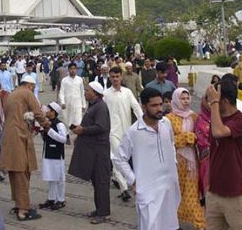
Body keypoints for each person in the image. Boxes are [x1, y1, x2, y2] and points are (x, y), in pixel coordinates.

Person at [113, 88, 181, 230]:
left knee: (170, 225)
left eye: (160, 104)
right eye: (154, 105)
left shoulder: (166, 124)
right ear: (144, 107)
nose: (159, 109)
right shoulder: (134, 131)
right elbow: (119, 158)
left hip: (169, 187)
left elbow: (172, 144)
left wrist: (173, 163)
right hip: (147, 190)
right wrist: (133, 179)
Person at [0, 75, 49, 221]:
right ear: (31, 86)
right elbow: (38, 111)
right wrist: (46, 123)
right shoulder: (27, 93)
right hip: (19, 137)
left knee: (14, 173)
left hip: (9, 137)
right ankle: (23, 210)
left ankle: (18, 204)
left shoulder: (11, 94)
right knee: (22, 173)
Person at [204, 79, 242, 230]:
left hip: (236, 195)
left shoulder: (241, 120)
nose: (207, 103)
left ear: (223, 101)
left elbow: (219, 132)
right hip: (214, 193)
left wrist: (213, 104)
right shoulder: (217, 119)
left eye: (210, 99)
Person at [68, 81, 111, 225]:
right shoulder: (93, 106)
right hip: (92, 150)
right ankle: (99, 209)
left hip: (99, 150)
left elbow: (100, 126)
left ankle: (103, 213)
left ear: (95, 93)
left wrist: (83, 131)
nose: (85, 92)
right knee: (96, 182)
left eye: (88, 90)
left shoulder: (101, 107)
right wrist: (80, 132)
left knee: (101, 182)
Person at [165, 88, 205, 229]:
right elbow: (166, 141)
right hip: (175, 160)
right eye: (182, 98)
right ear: (175, 100)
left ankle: (199, 223)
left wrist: (194, 138)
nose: (186, 101)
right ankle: (172, 221)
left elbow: (200, 136)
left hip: (192, 161)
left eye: (188, 98)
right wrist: (184, 137)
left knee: (192, 192)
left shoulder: (194, 117)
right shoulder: (168, 119)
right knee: (175, 192)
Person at [103, 66, 143, 202]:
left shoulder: (127, 92)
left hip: (127, 131)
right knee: (115, 158)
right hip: (112, 132)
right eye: (112, 77)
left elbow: (136, 107)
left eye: (117, 76)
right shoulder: (105, 94)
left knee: (125, 159)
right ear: (109, 78)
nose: (115, 79)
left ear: (121, 77)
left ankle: (128, 183)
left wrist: (143, 123)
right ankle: (124, 187)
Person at [38, 102, 68, 211]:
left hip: (57, 154)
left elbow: (64, 139)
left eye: (49, 110)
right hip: (48, 152)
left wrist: (49, 131)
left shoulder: (60, 125)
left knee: (59, 177)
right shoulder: (47, 123)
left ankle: (61, 199)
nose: (46, 112)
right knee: (51, 177)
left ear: (53, 112)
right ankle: (51, 198)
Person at [194, 95, 212, 206]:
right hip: (206, 157)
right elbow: (200, 139)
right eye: (207, 100)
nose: (209, 103)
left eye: (212, 101)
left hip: (220, 158)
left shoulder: (221, 117)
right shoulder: (200, 119)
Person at [58, 62, 86, 130]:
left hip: (78, 104)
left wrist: (84, 105)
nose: (73, 70)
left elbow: (82, 93)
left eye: (74, 68)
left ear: (76, 69)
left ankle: (78, 137)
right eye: (71, 69)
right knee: (68, 122)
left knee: (78, 121)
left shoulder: (80, 79)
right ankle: (70, 137)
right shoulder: (64, 80)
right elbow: (61, 92)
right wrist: (62, 102)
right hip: (68, 105)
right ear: (68, 69)